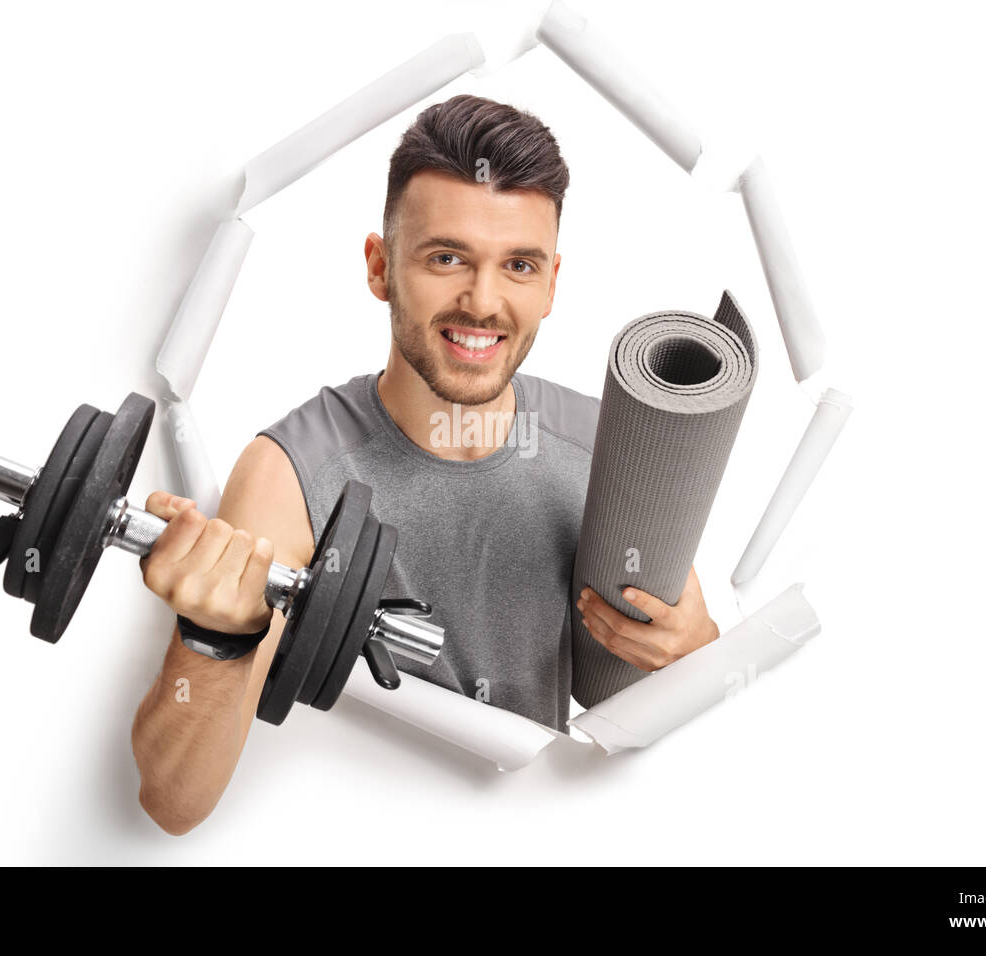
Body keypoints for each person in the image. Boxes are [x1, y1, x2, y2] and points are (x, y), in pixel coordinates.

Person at [130, 95, 720, 834]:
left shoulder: (604, 451)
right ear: (380, 267)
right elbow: (172, 800)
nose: (484, 301)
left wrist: (700, 654)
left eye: (519, 265)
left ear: (552, 285)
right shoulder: (292, 473)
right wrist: (212, 642)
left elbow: (679, 747)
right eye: (447, 258)